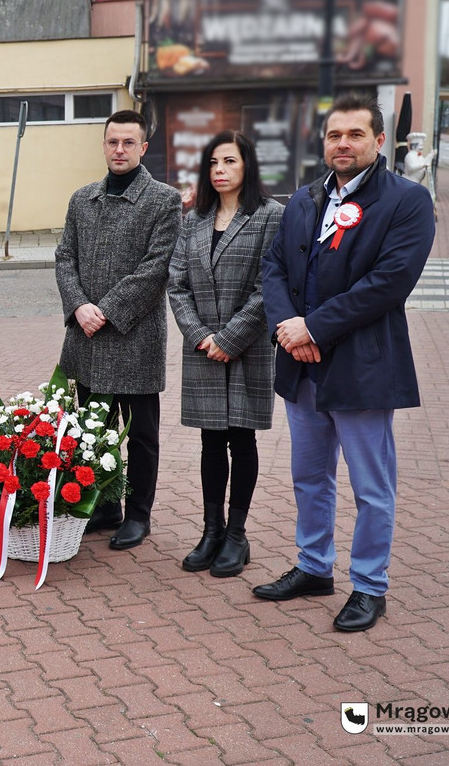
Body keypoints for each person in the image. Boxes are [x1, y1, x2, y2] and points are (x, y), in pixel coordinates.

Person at [255, 92, 434, 632]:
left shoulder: (406, 201)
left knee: (371, 486)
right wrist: (291, 331)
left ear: (379, 141)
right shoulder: (306, 199)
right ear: (324, 141)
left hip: (362, 367)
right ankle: (313, 567)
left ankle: (370, 586)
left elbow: (388, 283)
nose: (343, 143)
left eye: (355, 135)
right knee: (309, 476)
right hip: (303, 363)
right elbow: (275, 268)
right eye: (335, 135)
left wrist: (314, 326)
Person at [55, 109, 181, 550]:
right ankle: (106, 504)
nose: (120, 150)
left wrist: (104, 310)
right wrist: (78, 306)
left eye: (129, 143)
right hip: (86, 338)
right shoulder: (81, 198)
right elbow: (64, 258)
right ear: (104, 145)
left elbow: (155, 269)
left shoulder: (164, 201)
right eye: (113, 142)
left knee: (141, 434)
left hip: (134, 339)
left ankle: (139, 514)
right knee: (95, 429)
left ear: (143, 147)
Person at [167, 131, 282, 577]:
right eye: (213, 162)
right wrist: (200, 336)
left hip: (246, 348)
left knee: (242, 438)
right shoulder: (194, 218)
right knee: (210, 439)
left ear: (247, 166)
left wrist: (229, 339)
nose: (219, 170)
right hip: (201, 349)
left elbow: (268, 286)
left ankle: (237, 535)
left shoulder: (271, 216)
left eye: (229, 161)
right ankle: (210, 530)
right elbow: (176, 284)